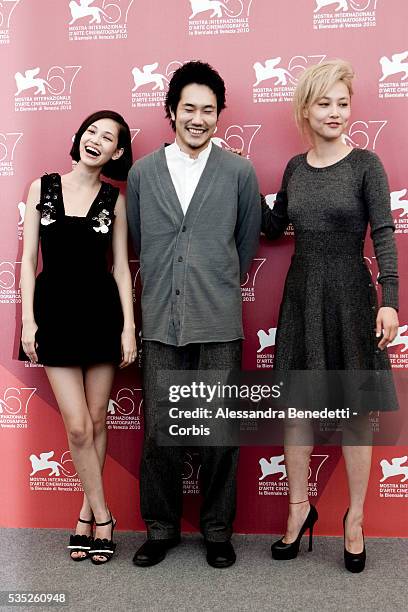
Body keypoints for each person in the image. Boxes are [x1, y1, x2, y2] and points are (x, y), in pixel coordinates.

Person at [261, 60, 399, 572]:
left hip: (351, 297)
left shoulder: (367, 165)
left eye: (343, 103)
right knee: (297, 408)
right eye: (325, 103)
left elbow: (383, 234)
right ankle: (299, 509)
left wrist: (390, 299)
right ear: (305, 109)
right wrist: (233, 180)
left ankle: (355, 519)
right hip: (302, 297)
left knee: (356, 414)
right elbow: (274, 226)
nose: (336, 112)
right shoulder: (295, 168)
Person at [127, 61, 261, 568]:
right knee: (161, 430)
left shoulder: (240, 172)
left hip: (219, 322)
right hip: (161, 320)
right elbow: (143, 243)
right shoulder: (142, 174)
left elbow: (244, 245)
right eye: (189, 108)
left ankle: (217, 529)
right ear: (172, 111)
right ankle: (160, 528)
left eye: (209, 109)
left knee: (219, 434)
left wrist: (212, 283)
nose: (198, 118)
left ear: (219, 115)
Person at [19, 110, 136, 564]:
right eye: (92, 131)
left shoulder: (114, 199)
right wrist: (28, 322)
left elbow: (121, 269)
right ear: (79, 137)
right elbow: (29, 261)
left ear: (116, 153)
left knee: (98, 420)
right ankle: (105, 517)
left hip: (101, 315)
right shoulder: (41, 188)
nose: (97, 140)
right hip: (55, 315)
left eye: (108, 138)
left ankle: (86, 514)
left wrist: (128, 326)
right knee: (77, 426)